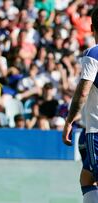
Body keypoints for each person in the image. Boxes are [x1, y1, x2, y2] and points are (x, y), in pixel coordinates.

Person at [62, 8, 98, 203]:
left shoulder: (94, 53)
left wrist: (69, 120)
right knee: (87, 176)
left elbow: (83, 91)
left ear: (91, 28)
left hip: (97, 130)